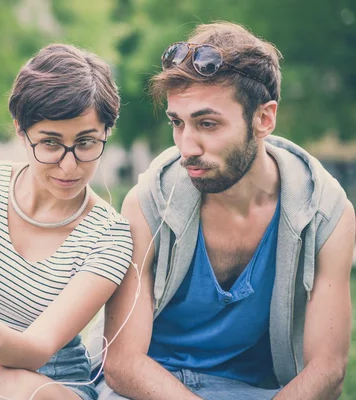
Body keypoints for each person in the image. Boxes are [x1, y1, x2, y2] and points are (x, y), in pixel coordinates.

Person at [96, 22, 354, 400]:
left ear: (263, 119)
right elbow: (121, 362)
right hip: (149, 389)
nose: (187, 146)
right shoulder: (148, 202)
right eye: (177, 123)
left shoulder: (326, 215)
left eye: (207, 124)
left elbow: (327, 370)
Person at [0, 44, 133, 400]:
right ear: (20, 130)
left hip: (48, 385)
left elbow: (37, 347)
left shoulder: (109, 236)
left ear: (107, 132)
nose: (69, 165)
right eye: (50, 143)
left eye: (86, 142)